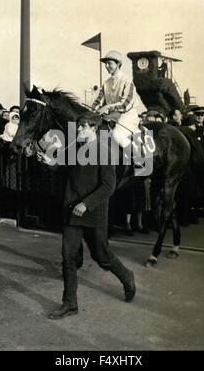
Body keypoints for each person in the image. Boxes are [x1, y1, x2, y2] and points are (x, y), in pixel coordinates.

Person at [37, 112, 136, 320]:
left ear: (93, 128)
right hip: (71, 212)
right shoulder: (76, 148)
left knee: (102, 256)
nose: (79, 130)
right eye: (79, 126)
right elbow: (64, 168)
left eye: (83, 127)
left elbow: (108, 186)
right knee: (68, 258)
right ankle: (70, 304)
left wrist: (86, 204)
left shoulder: (105, 151)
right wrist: (48, 161)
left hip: (93, 213)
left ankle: (127, 276)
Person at [91, 50, 148, 159]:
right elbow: (98, 101)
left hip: (127, 116)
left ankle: (140, 158)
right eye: (105, 64)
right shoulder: (106, 83)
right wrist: (91, 112)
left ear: (118, 64)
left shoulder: (127, 80)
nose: (107, 66)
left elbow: (126, 104)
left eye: (109, 63)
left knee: (117, 135)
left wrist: (107, 107)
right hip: (111, 116)